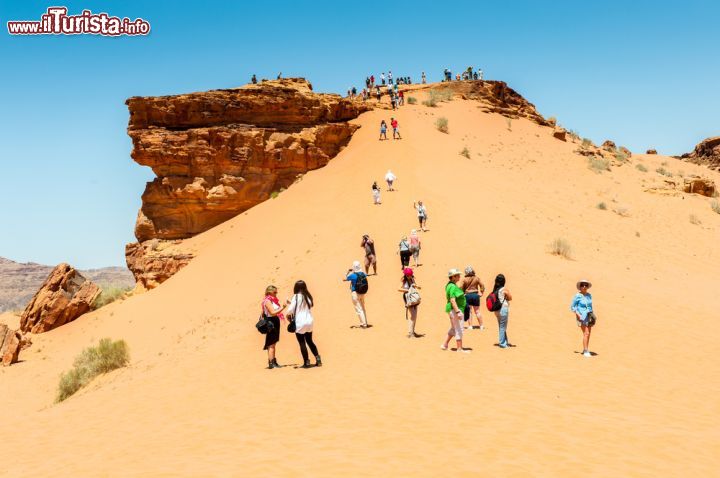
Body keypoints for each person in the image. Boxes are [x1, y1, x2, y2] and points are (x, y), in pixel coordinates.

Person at [286, 280, 321, 368]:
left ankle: (306, 361)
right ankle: (318, 359)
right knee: (310, 341)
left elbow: (290, 310)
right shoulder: (308, 296)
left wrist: (288, 311)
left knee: (302, 342)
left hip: (300, 322)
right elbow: (306, 305)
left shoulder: (296, 296)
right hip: (309, 321)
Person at [442, 269, 469, 352]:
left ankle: (445, 344)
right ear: (453, 277)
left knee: (454, 328)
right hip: (456, 309)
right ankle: (459, 348)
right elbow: (453, 300)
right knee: (459, 328)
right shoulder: (453, 286)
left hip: (452, 309)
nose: (459, 276)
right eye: (457, 275)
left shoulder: (450, 285)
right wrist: (458, 311)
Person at [261, 285, 287, 369]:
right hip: (271, 322)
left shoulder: (270, 300)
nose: (276, 294)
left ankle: (273, 362)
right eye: (274, 292)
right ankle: (272, 363)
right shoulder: (268, 301)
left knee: (272, 343)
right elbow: (272, 312)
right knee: (271, 344)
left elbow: (262, 313)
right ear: (269, 292)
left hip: (273, 321)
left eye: (276, 292)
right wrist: (283, 307)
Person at [571, 280, 595, 357]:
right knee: (586, 333)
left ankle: (586, 348)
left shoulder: (589, 295)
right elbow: (572, 307)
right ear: (580, 287)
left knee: (588, 334)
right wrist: (578, 315)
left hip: (589, 316)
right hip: (582, 316)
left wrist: (592, 315)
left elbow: (590, 306)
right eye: (582, 285)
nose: (584, 287)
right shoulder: (577, 296)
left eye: (586, 285)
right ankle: (585, 351)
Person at [344, 261, 369, 328]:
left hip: (355, 293)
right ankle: (364, 322)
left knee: (358, 309)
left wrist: (348, 271)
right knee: (363, 307)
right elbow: (365, 275)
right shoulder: (363, 274)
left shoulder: (352, 275)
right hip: (362, 292)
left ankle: (364, 324)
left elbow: (344, 278)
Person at [398, 267, 422, 338]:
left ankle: (412, 331)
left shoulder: (413, 278)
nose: (409, 276)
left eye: (410, 275)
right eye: (408, 275)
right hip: (408, 297)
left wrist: (417, 286)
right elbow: (398, 288)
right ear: (405, 275)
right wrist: (407, 290)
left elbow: (417, 285)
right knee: (413, 315)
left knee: (415, 315)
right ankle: (410, 333)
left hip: (414, 297)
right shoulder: (403, 280)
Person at [492, 274, 512, 348]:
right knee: (503, 327)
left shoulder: (495, 289)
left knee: (501, 326)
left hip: (496, 310)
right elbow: (510, 298)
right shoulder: (504, 289)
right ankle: (502, 344)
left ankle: (505, 342)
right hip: (503, 309)